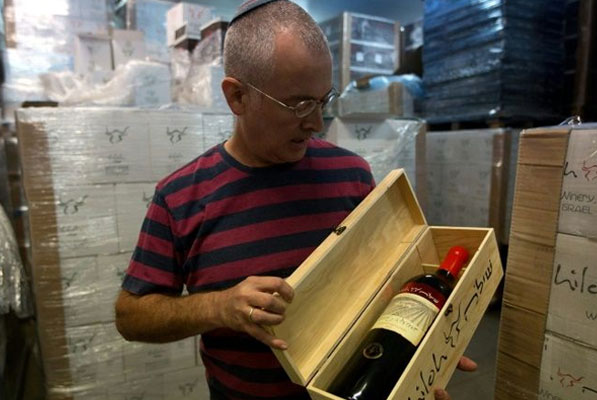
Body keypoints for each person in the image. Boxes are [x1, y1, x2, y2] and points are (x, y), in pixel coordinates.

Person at [115, 1, 474, 399]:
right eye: (300, 104)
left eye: (323, 100)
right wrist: (218, 307)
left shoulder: (351, 175)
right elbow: (131, 317)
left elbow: (385, 285)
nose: (317, 123)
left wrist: (426, 346)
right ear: (237, 97)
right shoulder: (180, 197)